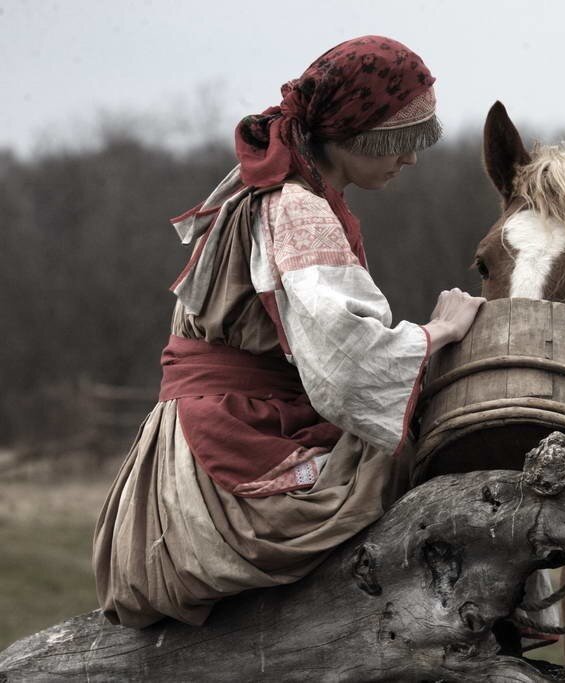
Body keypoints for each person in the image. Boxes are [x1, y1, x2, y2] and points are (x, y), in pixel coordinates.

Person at [92, 36, 485, 628]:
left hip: (203, 424)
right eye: (396, 144)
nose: (407, 160)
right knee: (435, 462)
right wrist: (437, 332)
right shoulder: (298, 206)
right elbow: (348, 359)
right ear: (353, 131)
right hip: (229, 444)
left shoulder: (266, 190)